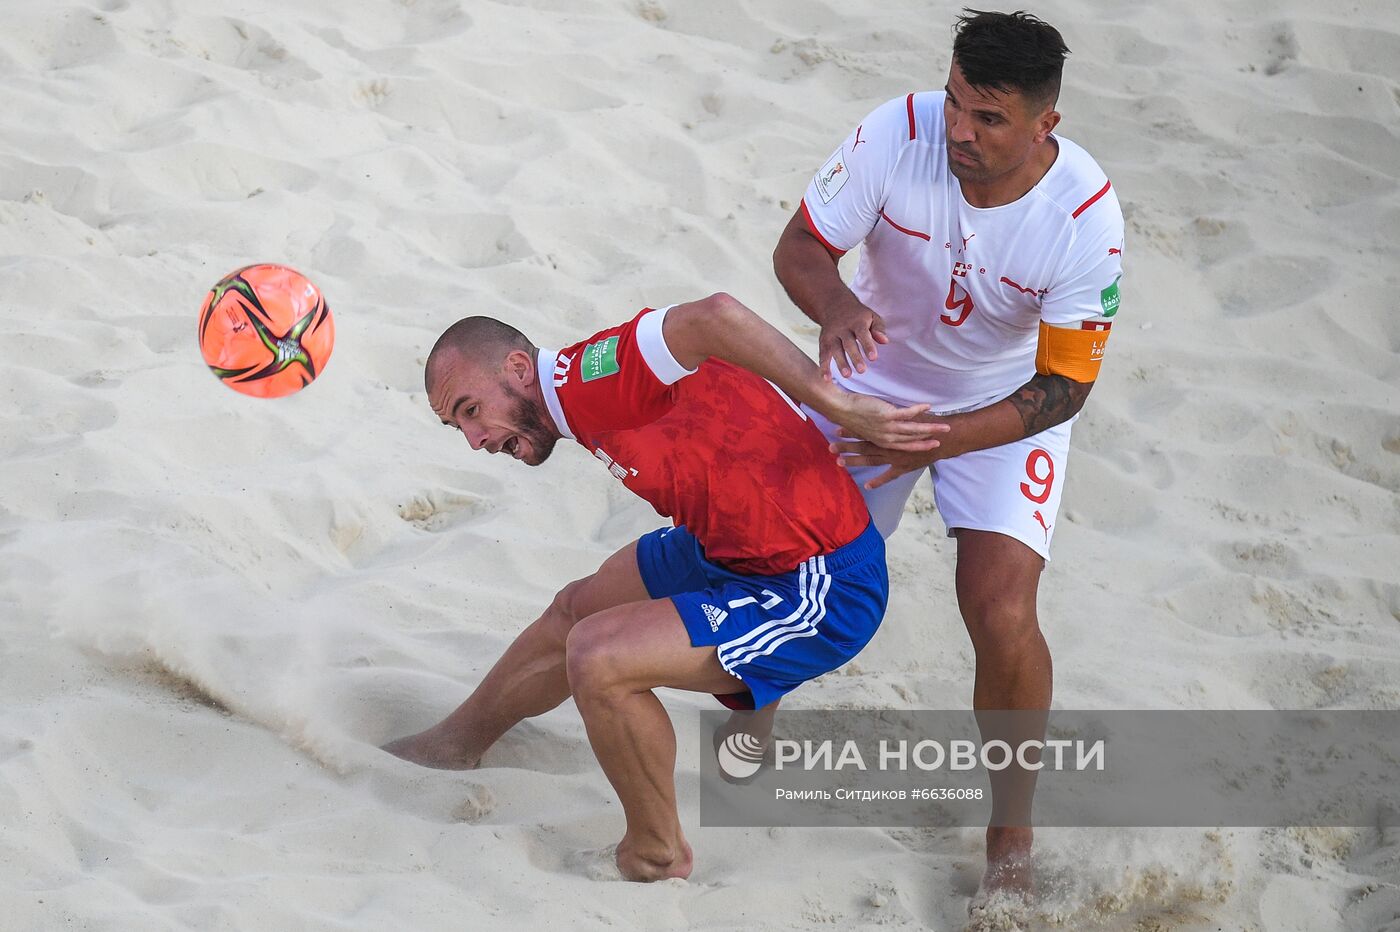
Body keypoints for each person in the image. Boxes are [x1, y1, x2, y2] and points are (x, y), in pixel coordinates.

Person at [383, 293, 944, 881]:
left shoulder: (596, 379)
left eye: (472, 411)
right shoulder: (575, 390)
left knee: (597, 658)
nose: (475, 439)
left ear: (519, 369)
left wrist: (839, 404)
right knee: (574, 610)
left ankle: (657, 853)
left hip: (818, 582)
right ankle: (454, 745)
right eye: (458, 425)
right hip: (727, 544)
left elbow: (715, 316)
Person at [771, 9, 1125, 897]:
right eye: (956, 101)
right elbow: (801, 246)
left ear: (1045, 123)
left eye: (989, 117)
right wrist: (838, 309)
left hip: (1002, 411)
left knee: (999, 610)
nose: (960, 130)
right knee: (783, 559)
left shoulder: (1084, 214)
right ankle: (753, 721)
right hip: (871, 381)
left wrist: (934, 439)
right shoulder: (898, 131)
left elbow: (1064, 388)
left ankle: (1010, 839)